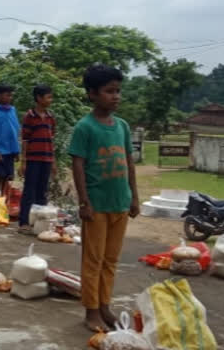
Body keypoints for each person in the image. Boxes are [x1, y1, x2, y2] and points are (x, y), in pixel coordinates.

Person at [69, 64, 139, 333]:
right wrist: (84, 201)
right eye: (110, 91)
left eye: (118, 91)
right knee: (93, 259)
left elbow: (130, 163)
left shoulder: (121, 126)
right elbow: (78, 165)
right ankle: (91, 310)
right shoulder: (85, 128)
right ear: (92, 94)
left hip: (120, 202)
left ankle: (105, 305)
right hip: (96, 205)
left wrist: (134, 197)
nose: (116, 96)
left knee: (111, 260)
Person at [18, 84, 57, 232]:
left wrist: (54, 162)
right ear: (39, 98)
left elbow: (51, 141)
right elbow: (25, 140)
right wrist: (23, 162)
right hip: (33, 159)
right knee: (29, 191)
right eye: (48, 97)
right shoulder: (29, 117)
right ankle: (24, 223)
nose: (50, 100)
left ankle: (40, 223)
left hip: (46, 159)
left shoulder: (51, 118)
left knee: (42, 191)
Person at [0, 84, 21, 198]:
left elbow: (15, 130)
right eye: (7, 95)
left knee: (7, 178)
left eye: (11, 95)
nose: (10, 98)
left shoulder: (12, 110)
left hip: (11, 151)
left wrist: (17, 151)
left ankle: (3, 202)